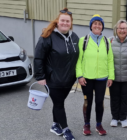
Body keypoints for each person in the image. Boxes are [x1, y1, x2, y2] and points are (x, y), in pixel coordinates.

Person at [34, 8, 78, 140]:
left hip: (69, 79)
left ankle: (55, 125)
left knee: (59, 103)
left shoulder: (74, 37)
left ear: (71, 23)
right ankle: (66, 130)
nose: (65, 23)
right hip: (53, 80)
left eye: (67, 21)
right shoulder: (48, 37)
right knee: (59, 104)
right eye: (62, 20)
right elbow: (38, 57)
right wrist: (40, 76)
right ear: (58, 21)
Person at [76, 14, 114, 136]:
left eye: (100, 24)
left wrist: (111, 76)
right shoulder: (83, 40)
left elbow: (110, 60)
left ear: (102, 27)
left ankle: (99, 124)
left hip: (102, 78)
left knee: (99, 101)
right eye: (95, 23)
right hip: (86, 77)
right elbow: (78, 60)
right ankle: (86, 124)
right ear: (91, 26)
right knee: (88, 101)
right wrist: (79, 76)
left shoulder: (107, 41)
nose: (97, 26)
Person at [108, 20, 127, 128]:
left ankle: (123, 118)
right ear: (116, 30)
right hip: (114, 77)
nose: (122, 30)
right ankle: (115, 118)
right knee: (114, 98)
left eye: (124, 28)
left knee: (126, 98)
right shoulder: (110, 41)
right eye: (120, 28)